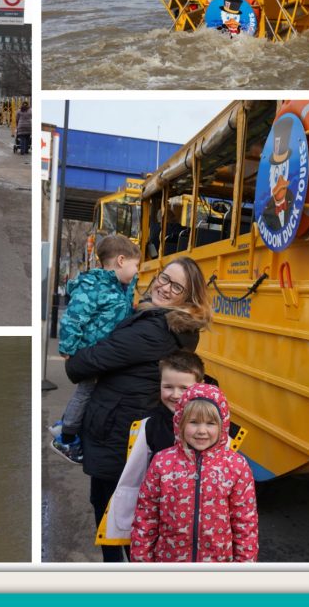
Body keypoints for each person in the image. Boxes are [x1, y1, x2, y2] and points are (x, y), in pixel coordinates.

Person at [65, 256, 212, 563]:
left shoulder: (156, 329)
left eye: (177, 286)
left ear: (189, 297)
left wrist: (73, 359)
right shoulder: (167, 323)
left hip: (118, 433)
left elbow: (89, 361)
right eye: (164, 277)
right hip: (127, 430)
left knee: (114, 516)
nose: (165, 287)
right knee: (128, 517)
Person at [130, 383, 259, 562]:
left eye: (210, 423)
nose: (202, 431)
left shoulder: (236, 466)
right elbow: (146, 515)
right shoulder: (162, 463)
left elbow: (245, 522)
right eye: (193, 422)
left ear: (223, 425)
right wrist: (141, 561)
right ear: (180, 422)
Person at [95, 349, 205, 548]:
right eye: (168, 387)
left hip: (199, 524)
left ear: (201, 386)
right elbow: (137, 475)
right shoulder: (151, 426)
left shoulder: (215, 430)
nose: (175, 395)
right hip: (159, 518)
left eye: (184, 387)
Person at [51, 234, 140, 463]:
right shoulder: (94, 286)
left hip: (105, 353)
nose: (138, 271)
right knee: (85, 392)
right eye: (136, 265)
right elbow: (73, 318)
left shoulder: (122, 287)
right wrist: (68, 348)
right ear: (121, 261)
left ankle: (66, 425)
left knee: (91, 393)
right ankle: (67, 437)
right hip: (90, 353)